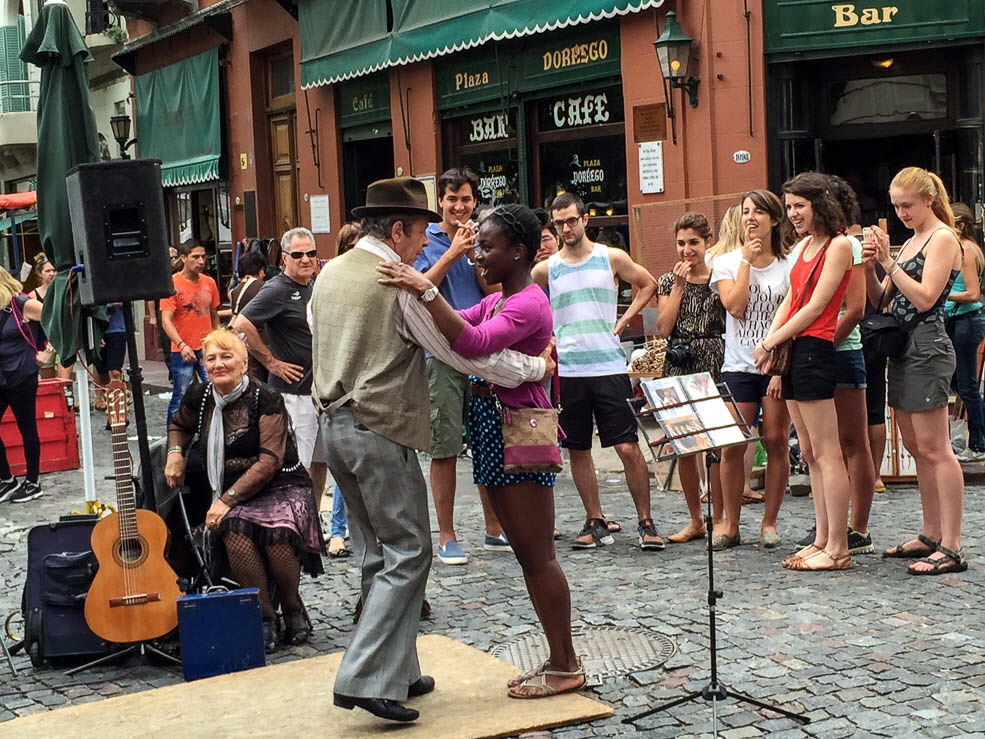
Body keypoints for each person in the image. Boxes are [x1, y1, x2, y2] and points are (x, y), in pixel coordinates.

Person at [310, 177, 552, 723]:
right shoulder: (391, 281)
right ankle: (364, 677)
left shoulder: (330, 271)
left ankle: (397, 668)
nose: (424, 245)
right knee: (409, 550)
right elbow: (460, 352)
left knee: (378, 550)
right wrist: (537, 368)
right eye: (421, 233)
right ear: (397, 231)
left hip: (335, 424)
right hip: (377, 427)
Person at [378, 203, 584, 700]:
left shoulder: (528, 303)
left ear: (518, 252)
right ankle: (559, 658)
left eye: (486, 247)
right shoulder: (498, 299)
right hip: (493, 428)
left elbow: (469, 342)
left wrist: (423, 284)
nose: (478, 256)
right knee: (525, 554)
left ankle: (566, 664)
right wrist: (425, 283)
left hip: (518, 430)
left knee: (538, 557)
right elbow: (442, 329)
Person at [164, 329, 323, 653]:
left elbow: (270, 460)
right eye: (211, 358)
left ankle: (292, 608)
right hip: (229, 487)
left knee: (277, 535)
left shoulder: (266, 398)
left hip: (281, 483)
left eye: (227, 356)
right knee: (235, 531)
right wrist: (175, 454)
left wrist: (225, 501)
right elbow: (179, 425)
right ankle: (264, 616)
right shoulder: (200, 396)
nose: (219, 364)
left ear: (244, 362)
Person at [532, 192, 664, 551]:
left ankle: (645, 520)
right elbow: (524, 301)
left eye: (571, 220)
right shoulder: (547, 269)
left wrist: (622, 321)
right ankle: (595, 519)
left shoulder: (611, 257)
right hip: (570, 369)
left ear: (585, 219)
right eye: (559, 223)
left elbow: (649, 282)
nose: (566, 228)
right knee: (577, 448)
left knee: (627, 447)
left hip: (607, 365)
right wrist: (545, 341)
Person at [863, 167, 967, 575]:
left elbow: (925, 298)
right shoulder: (911, 243)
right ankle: (930, 533)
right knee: (915, 445)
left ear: (928, 200)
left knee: (935, 447)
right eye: (896, 206)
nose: (901, 212)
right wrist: (871, 266)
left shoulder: (942, 238)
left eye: (907, 205)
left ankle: (952, 545)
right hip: (904, 347)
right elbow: (882, 301)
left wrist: (889, 263)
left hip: (928, 344)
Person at [753, 172, 854, 572]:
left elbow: (816, 306)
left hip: (815, 348)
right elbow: (791, 299)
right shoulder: (802, 248)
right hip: (793, 347)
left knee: (828, 453)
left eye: (799, 205)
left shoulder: (839, 245)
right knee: (809, 453)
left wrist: (771, 340)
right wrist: (771, 341)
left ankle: (839, 548)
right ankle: (822, 539)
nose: (792, 213)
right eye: (789, 206)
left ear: (820, 205)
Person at [412, 167, 508, 566]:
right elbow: (421, 289)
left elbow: (495, 291)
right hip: (440, 354)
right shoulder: (427, 242)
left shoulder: (482, 239)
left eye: (466, 199)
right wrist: (453, 252)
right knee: (446, 444)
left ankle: (493, 528)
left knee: (488, 443)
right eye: (452, 199)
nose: (459, 207)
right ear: (441, 203)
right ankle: (447, 534)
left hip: (480, 350)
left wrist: (476, 257)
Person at [710, 191, 791, 549]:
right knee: (731, 446)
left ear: (774, 219)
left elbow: (792, 319)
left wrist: (780, 369)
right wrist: (745, 261)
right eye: (746, 212)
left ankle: (769, 522)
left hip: (775, 365)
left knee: (775, 441)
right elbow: (736, 307)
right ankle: (730, 523)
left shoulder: (789, 265)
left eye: (759, 212)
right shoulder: (727, 262)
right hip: (739, 364)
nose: (751, 218)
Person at [232, 228, 328, 510]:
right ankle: (297, 520)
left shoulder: (313, 285)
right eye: (297, 255)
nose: (305, 259)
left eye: (311, 253)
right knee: (302, 462)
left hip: (319, 390)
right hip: (293, 392)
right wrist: (271, 361)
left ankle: (313, 516)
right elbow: (240, 324)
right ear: (285, 257)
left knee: (320, 461)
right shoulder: (277, 289)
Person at [657, 213, 727, 545]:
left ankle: (721, 516)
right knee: (685, 446)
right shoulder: (668, 281)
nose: (687, 250)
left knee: (715, 444)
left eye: (693, 243)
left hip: (712, 358)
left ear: (707, 242)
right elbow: (663, 327)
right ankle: (695, 518)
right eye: (681, 243)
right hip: (679, 360)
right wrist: (680, 286)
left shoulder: (719, 278)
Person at [325, 222, 361, 558]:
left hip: (369, 391)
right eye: (351, 245)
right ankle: (336, 530)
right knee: (343, 469)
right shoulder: (332, 283)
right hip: (339, 388)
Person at [160, 240, 220, 425]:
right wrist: (181, 344)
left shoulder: (209, 282)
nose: (201, 261)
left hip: (207, 347)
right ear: (184, 258)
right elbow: (166, 320)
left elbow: (214, 315)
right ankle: (174, 437)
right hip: (182, 348)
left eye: (203, 257)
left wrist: (218, 341)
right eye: (196, 257)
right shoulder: (172, 283)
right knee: (180, 395)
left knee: (215, 390)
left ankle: (211, 432)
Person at [944, 203, 985, 462]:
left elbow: (972, 293)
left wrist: (939, 293)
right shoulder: (965, 248)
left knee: (967, 385)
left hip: (966, 319)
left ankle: (979, 444)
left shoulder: (967, 250)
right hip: (961, 319)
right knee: (961, 383)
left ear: (959, 226)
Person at [0, 270, 45, 503]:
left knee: (26, 427)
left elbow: (53, 319)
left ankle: (33, 482)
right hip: (1, 377)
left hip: (22, 375)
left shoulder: (22, 304)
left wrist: (47, 351)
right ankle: (7, 479)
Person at [224, 251, 268, 382]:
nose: (264, 274)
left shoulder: (234, 292)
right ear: (260, 270)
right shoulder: (264, 288)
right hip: (261, 342)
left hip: (242, 344)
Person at [26, 253, 64, 381]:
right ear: (40, 273)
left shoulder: (63, 291)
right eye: (48, 271)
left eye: (54, 270)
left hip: (62, 340)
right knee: (48, 381)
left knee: (64, 380)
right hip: (43, 342)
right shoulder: (33, 296)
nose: (52, 274)